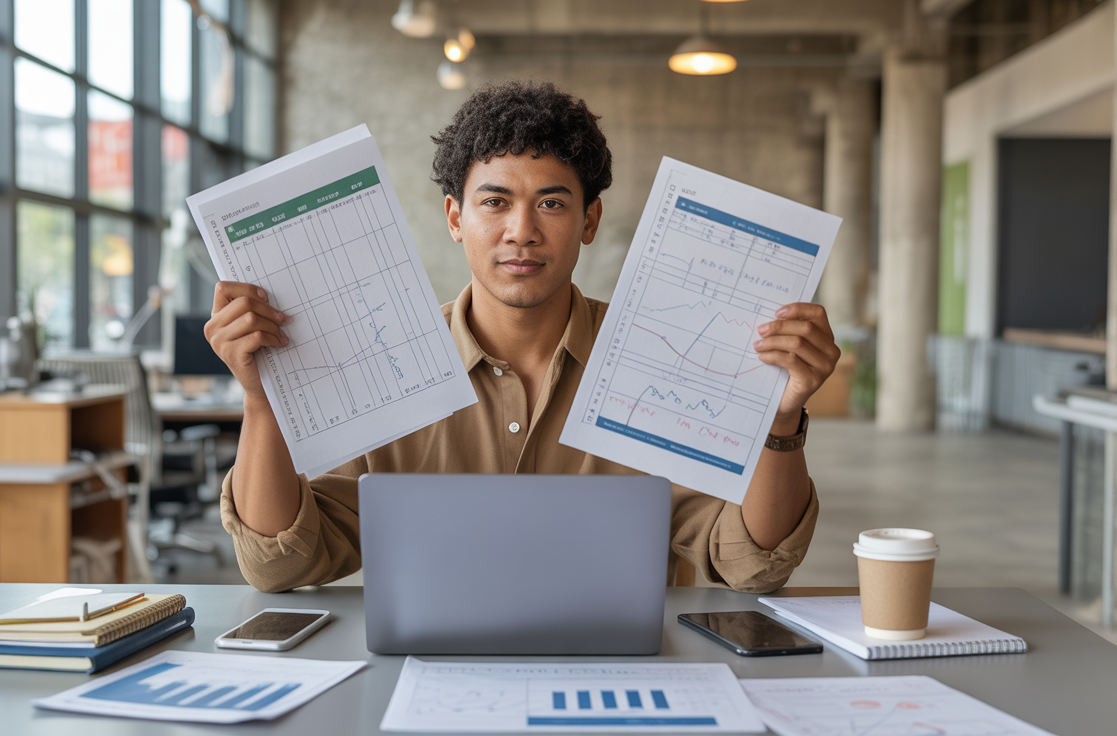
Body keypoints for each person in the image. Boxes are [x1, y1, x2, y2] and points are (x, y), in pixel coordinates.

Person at [206, 81, 840, 594]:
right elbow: (278, 567)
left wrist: (781, 417)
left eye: (553, 204)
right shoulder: (380, 361)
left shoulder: (663, 358)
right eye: (494, 202)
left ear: (590, 220)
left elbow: (752, 565)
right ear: (456, 217)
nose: (522, 231)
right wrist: (263, 399)